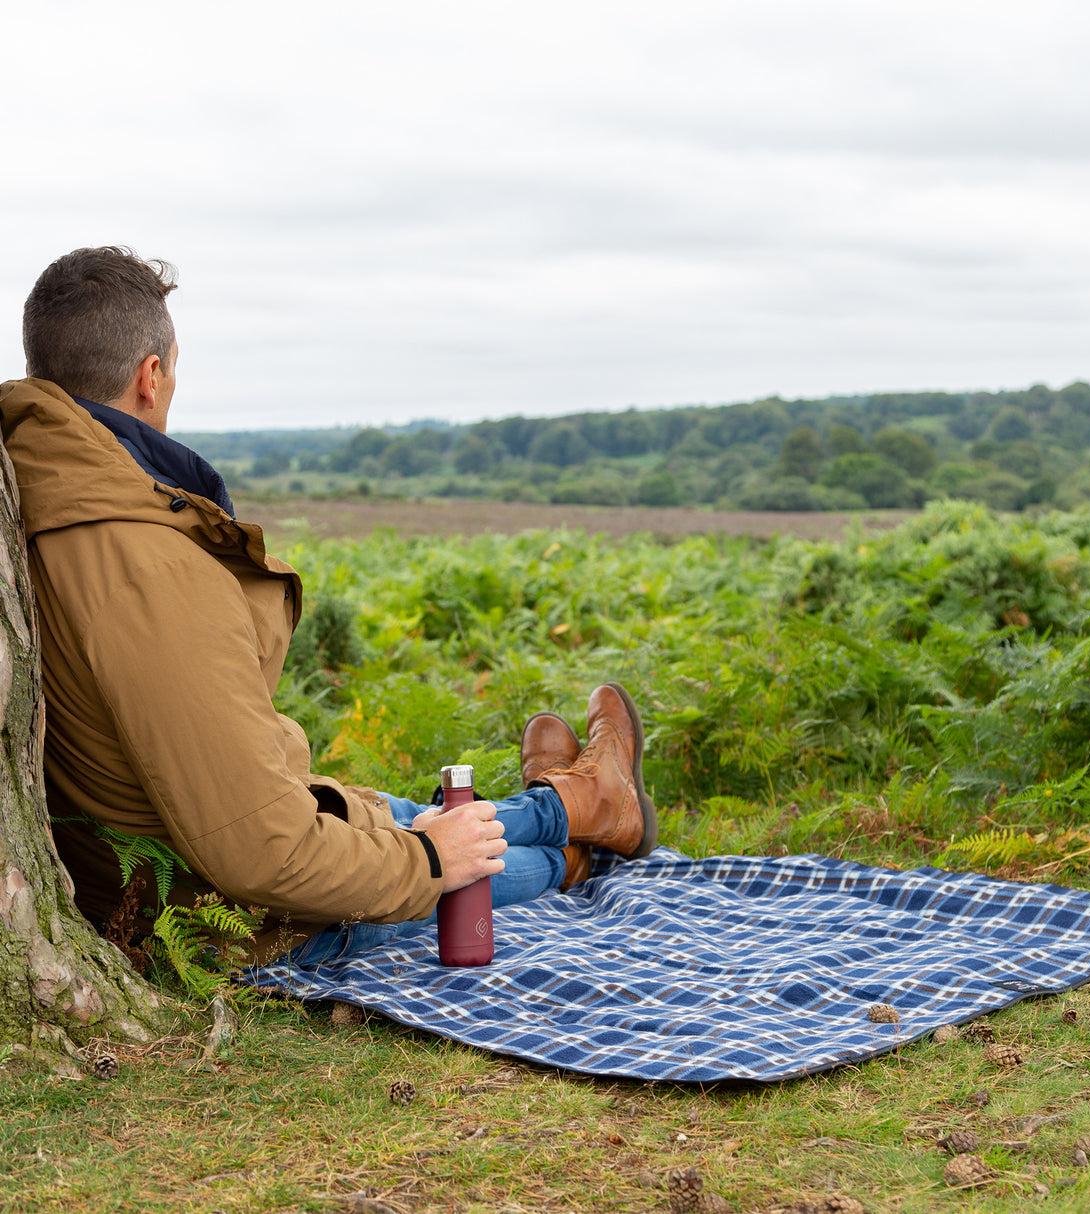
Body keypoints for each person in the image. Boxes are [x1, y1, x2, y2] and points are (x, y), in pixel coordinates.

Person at [0, 246, 658, 965]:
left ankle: (575, 802)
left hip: (183, 841)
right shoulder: (146, 567)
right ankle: (578, 846)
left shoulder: (38, 500)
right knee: (455, 851)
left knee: (399, 815)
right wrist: (431, 866)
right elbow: (264, 847)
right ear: (150, 377)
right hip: (223, 914)